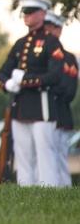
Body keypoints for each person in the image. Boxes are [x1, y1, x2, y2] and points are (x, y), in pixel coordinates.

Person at [0, 0, 65, 187]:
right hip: (21, 107)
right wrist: (7, 83)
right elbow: (2, 72)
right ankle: (25, 188)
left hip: (41, 106)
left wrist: (25, 80)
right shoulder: (20, 43)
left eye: (30, 12)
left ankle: (49, 188)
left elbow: (55, 75)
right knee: (23, 153)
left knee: (45, 154)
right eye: (24, 12)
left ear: (42, 14)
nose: (26, 16)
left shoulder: (51, 43)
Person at [43, 11, 77, 187]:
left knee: (59, 156)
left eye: (52, 28)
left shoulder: (68, 58)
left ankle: (63, 187)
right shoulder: (40, 54)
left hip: (60, 112)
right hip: (41, 110)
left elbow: (68, 90)